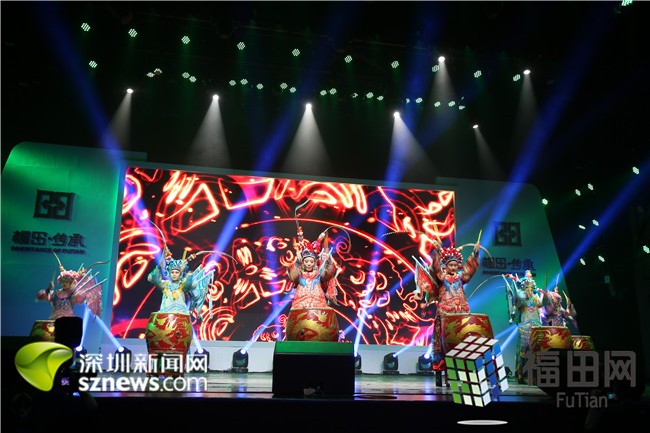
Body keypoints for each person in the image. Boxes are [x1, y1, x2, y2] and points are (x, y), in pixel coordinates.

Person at [414, 239, 481, 373]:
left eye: (455, 265)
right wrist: (438, 250)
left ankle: (462, 368)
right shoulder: (442, 277)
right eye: (451, 265)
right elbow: (436, 268)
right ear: (446, 265)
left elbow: (469, 271)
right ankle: (443, 367)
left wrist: (474, 254)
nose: (453, 268)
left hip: (461, 313)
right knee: (445, 341)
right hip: (445, 313)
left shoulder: (461, 278)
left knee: (462, 340)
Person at [147, 245, 215, 319]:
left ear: (180, 274)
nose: (174, 274)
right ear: (170, 273)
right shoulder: (165, 284)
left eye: (177, 273)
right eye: (172, 272)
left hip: (180, 316)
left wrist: (186, 274)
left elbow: (189, 283)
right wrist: (160, 266)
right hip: (166, 315)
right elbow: (153, 278)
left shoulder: (182, 285)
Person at [506, 270, 549, 384]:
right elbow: (518, 302)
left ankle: (534, 377)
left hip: (536, 328)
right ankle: (520, 375)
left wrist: (545, 297)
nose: (528, 288)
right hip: (524, 327)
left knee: (535, 353)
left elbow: (541, 304)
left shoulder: (535, 297)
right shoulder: (522, 297)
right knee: (523, 352)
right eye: (526, 286)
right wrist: (518, 293)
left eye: (530, 286)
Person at [286, 226, 339, 309]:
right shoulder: (300, 274)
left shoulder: (318, 273)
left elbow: (329, 274)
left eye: (311, 262)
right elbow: (293, 276)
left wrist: (329, 261)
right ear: (303, 262)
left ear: (315, 263)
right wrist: (297, 262)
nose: (309, 264)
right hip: (300, 305)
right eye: (306, 261)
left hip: (318, 305)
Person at [36, 260, 105, 319]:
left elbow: (80, 299)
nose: (64, 283)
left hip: (68, 320)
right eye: (63, 281)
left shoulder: (72, 294)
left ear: (71, 283)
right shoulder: (56, 293)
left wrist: (82, 294)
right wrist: (48, 289)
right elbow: (46, 297)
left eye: (67, 282)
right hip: (54, 319)